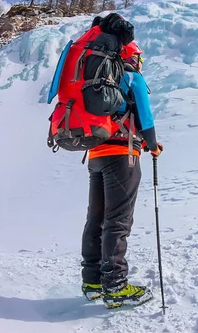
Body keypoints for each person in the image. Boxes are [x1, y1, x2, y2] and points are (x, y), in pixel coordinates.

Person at [80, 41, 163, 308]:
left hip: (95, 154)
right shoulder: (131, 76)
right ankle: (115, 286)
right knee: (118, 220)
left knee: (96, 218)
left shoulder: (100, 77)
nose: (141, 63)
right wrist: (152, 145)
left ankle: (92, 282)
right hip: (122, 155)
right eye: (140, 58)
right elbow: (146, 119)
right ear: (132, 57)